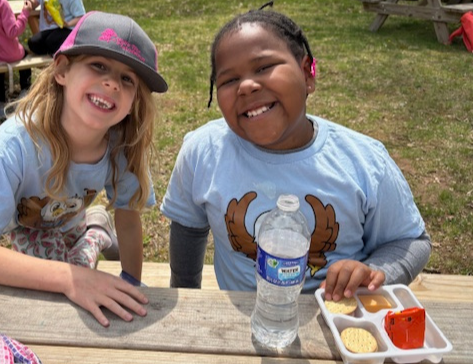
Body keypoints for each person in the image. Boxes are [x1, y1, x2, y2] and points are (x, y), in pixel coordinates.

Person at [160, 8, 431, 301]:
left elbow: (409, 240)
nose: (247, 86)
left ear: (306, 74)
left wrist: (375, 273)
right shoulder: (203, 152)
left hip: (339, 319)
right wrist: (185, 296)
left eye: (263, 67)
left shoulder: (365, 162)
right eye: (228, 80)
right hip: (240, 323)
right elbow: (188, 229)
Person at [0, 11, 168, 328]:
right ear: (62, 70)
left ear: (133, 101)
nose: (112, 83)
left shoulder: (123, 146)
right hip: (31, 229)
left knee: (72, 265)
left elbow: (127, 217)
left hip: (69, 215)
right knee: (57, 270)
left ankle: (92, 228)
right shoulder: (13, 145)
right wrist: (73, 278)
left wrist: (130, 283)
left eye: (128, 79)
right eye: (98, 65)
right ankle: (96, 230)